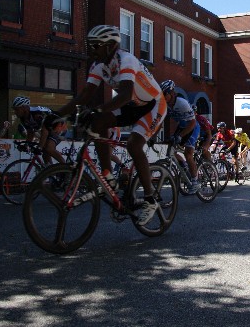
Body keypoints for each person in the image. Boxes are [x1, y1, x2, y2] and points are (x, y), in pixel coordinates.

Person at [56, 25, 167, 225]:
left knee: (133, 144)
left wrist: (98, 109)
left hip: (153, 104)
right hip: (132, 104)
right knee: (97, 123)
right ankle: (108, 176)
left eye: (96, 46)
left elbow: (124, 94)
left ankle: (150, 199)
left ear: (110, 46)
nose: (93, 51)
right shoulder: (99, 66)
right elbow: (84, 96)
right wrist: (55, 115)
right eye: (91, 46)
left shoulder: (126, 60)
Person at [160, 80, 201, 193]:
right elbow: (160, 120)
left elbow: (192, 123)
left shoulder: (181, 103)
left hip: (192, 126)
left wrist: (179, 136)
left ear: (172, 93)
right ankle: (184, 166)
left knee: (188, 153)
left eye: (165, 94)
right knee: (171, 149)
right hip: (182, 126)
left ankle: (195, 181)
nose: (163, 97)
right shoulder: (165, 105)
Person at [12, 96, 65, 165]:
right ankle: (51, 173)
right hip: (49, 129)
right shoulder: (23, 118)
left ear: (24, 108)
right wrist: (26, 144)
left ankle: (66, 169)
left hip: (59, 126)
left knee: (48, 148)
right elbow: (30, 132)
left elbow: (44, 131)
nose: (15, 112)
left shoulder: (37, 113)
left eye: (16, 109)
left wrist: (39, 147)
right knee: (45, 154)